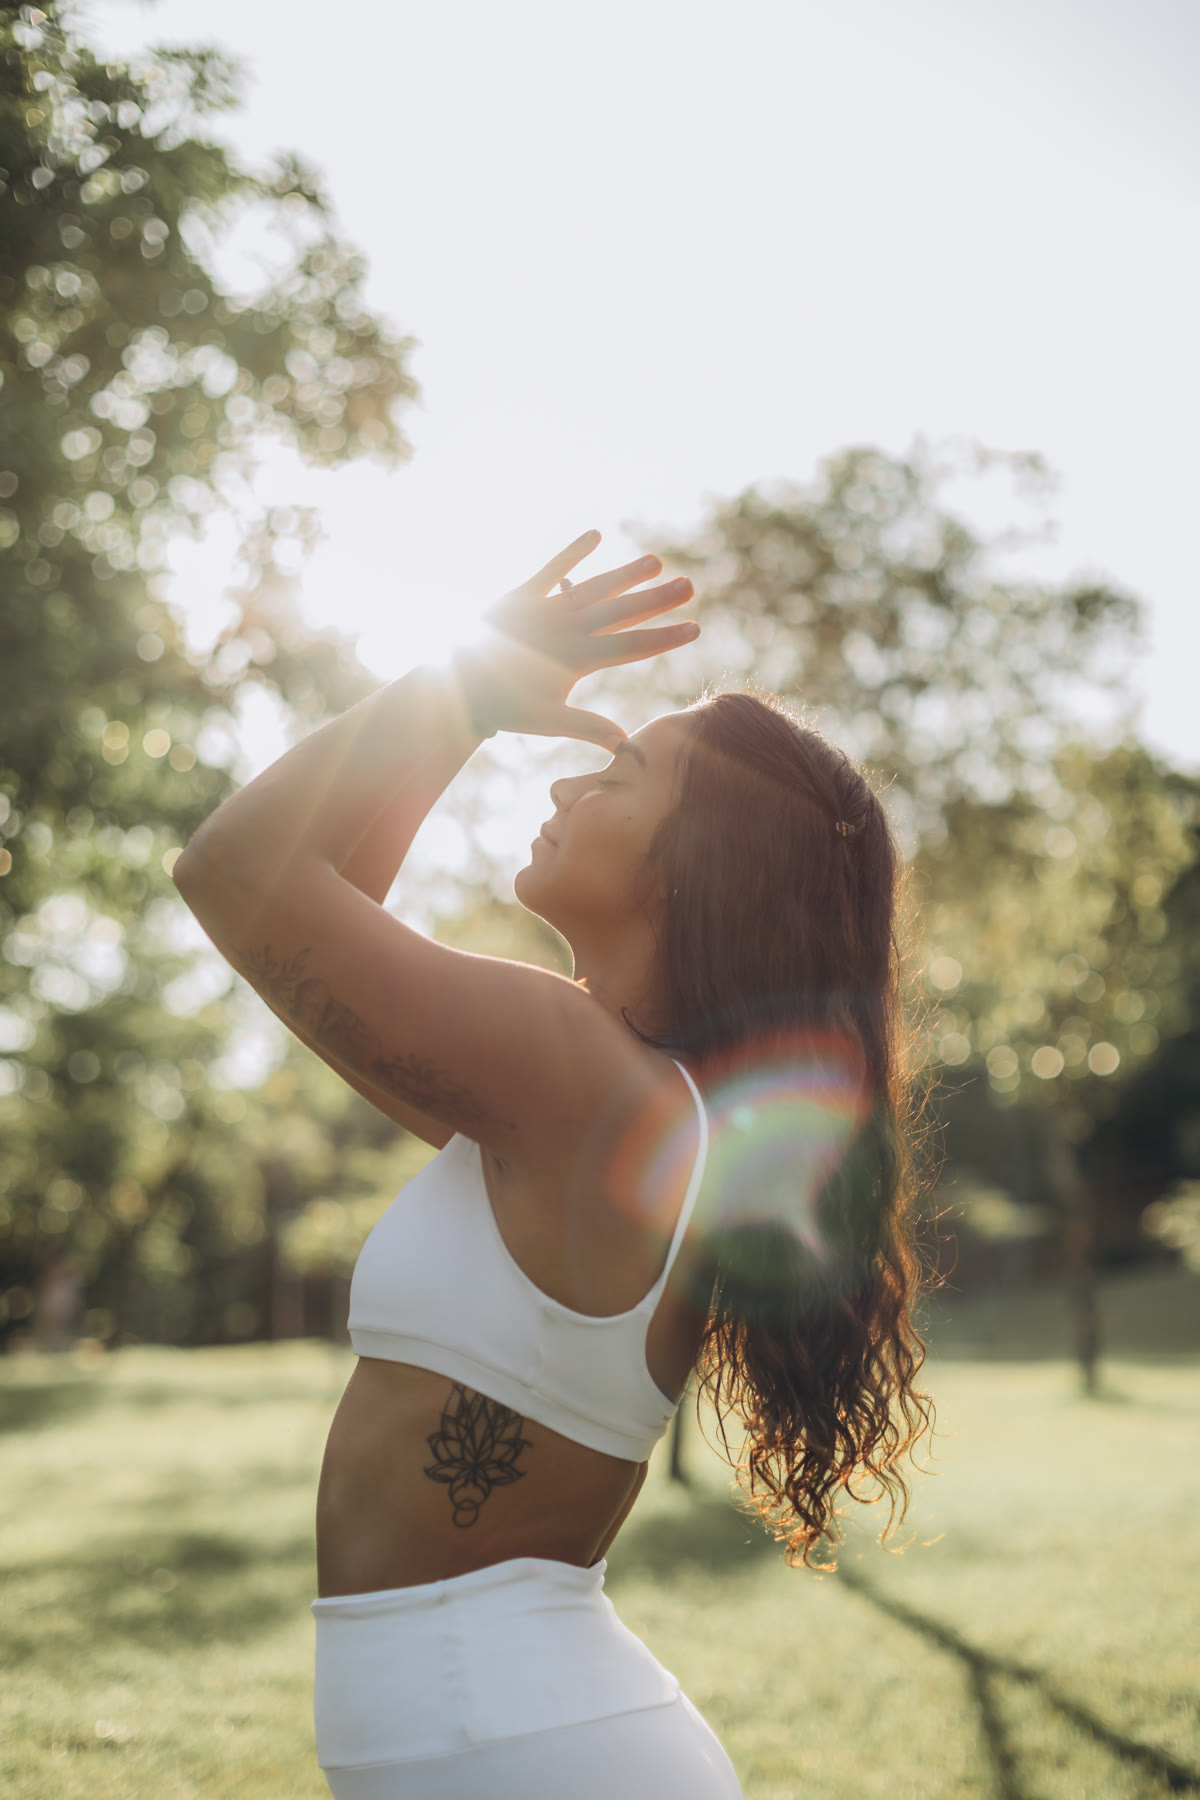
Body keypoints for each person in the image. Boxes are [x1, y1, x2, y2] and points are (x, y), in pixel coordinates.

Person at [172, 531, 932, 1798]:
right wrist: (455, 712)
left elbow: (235, 874)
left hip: (516, 1744)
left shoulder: (565, 1069)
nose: (567, 787)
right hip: (521, 1733)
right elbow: (320, 934)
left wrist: (460, 692)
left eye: (621, 776)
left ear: (697, 867)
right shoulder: (603, 1100)